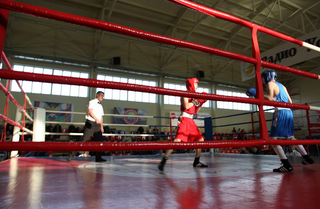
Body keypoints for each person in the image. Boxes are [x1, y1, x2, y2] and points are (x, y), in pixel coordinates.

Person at [246, 70, 314, 172]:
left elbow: (269, 98)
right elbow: (290, 102)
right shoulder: (282, 86)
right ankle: (306, 157)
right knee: (291, 137)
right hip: (289, 112)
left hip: (280, 113)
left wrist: (257, 94)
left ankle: (286, 165)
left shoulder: (270, 83)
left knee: (273, 140)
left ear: (266, 78)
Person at [158, 78, 208, 172]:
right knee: (177, 141)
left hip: (191, 120)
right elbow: (186, 106)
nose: (197, 86)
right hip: (184, 119)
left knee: (200, 139)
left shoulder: (195, 96)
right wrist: (196, 101)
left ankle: (196, 161)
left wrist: (200, 103)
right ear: (191, 84)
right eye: (196, 84)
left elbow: (195, 111)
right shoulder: (185, 94)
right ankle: (164, 160)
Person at [66, 91, 106, 163]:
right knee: (83, 140)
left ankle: (98, 158)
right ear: (97, 95)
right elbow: (90, 111)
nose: (102, 97)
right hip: (90, 123)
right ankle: (70, 156)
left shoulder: (100, 106)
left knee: (100, 141)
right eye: (101, 95)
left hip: (97, 126)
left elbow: (101, 117)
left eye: (103, 96)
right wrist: (96, 119)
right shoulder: (92, 102)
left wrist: (102, 127)